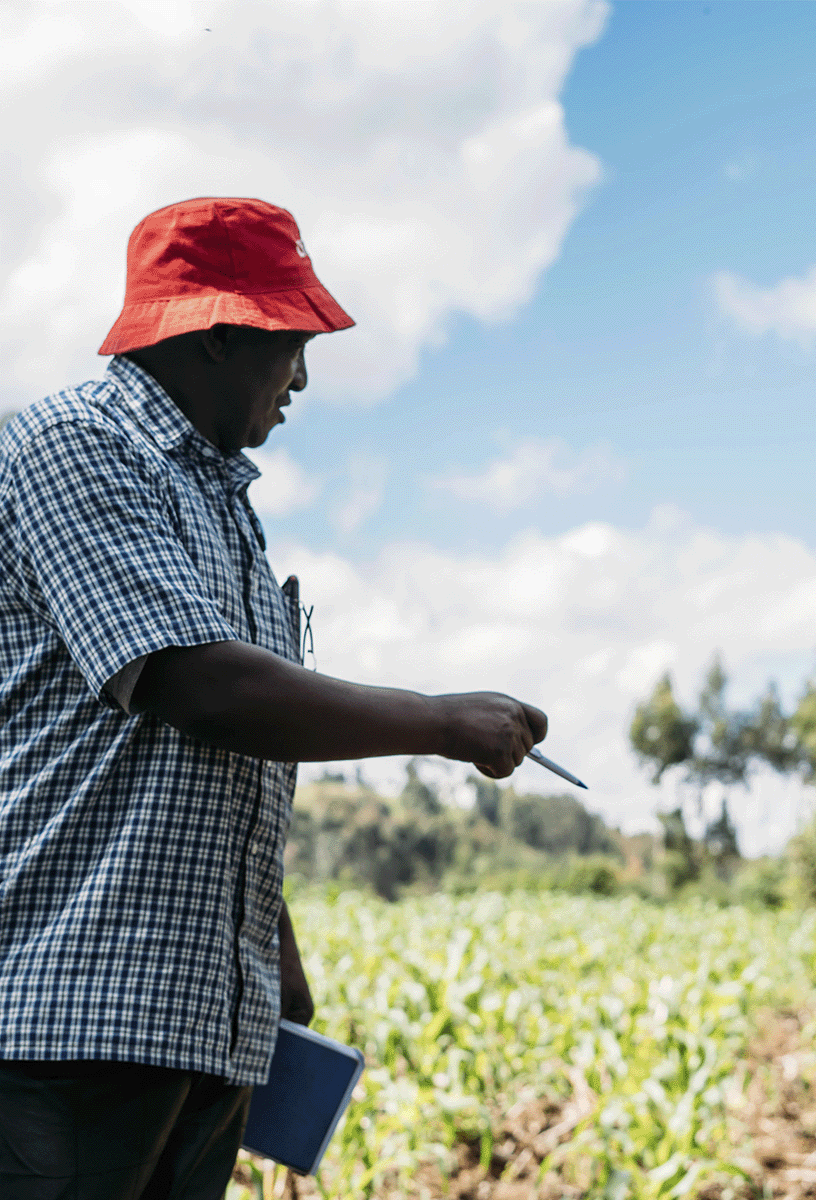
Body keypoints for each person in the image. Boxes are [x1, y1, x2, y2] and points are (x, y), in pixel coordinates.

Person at [0, 196, 548, 1200]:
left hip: (204, 1030)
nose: (300, 379)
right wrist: (440, 720)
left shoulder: (228, 517)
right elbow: (198, 687)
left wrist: (272, 956)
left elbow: (225, 757)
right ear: (214, 336)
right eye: (291, 345)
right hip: (71, 1018)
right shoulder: (69, 449)